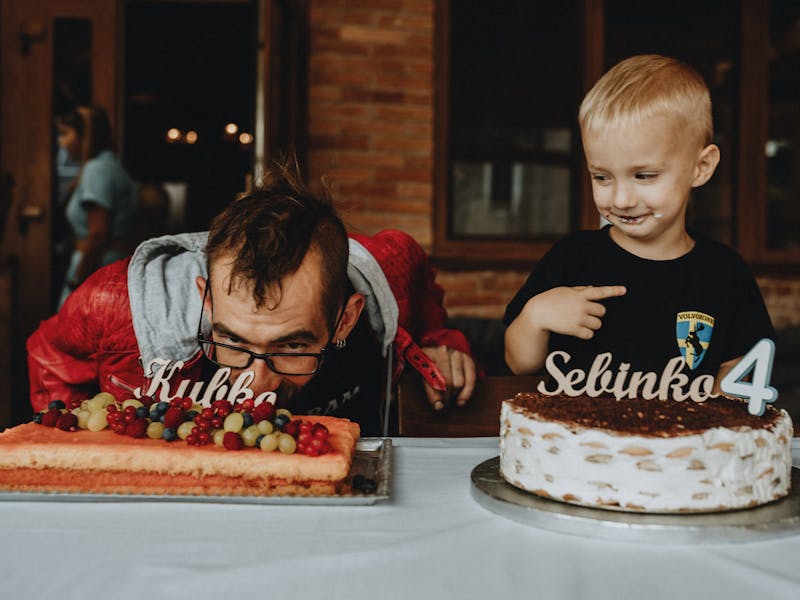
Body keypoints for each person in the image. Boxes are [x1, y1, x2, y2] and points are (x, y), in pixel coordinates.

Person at [27, 161, 476, 436]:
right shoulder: (114, 301)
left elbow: (417, 274)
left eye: (293, 346)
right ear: (207, 301)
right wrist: (77, 438)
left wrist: (439, 338)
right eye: (235, 344)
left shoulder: (386, 268)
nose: (257, 385)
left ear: (345, 318)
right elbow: (48, 354)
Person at [504, 54, 774, 387]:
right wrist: (535, 317)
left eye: (644, 176)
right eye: (602, 177)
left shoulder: (725, 273)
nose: (620, 200)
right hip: (582, 439)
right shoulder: (572, 258)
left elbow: (740, 367)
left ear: (700, 167)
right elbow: (519, 364)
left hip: (683, 439)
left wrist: (713, 425)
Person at [55, 104, 139, 308]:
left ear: (85, 136)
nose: (61, 141)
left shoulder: (97, 170)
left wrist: (77, 280)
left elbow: (98, 235)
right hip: (109, 268)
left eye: (65, 133)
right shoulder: (109, 166)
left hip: (97, 269)